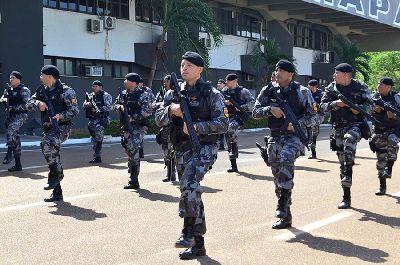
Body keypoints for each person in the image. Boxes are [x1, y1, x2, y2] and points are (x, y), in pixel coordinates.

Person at [155, 51, 228, 259]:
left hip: (204, 147)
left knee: (188, 183)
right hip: (181, 148)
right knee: (192, 191)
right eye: (182, 65)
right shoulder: (172, 94)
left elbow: (223, 123)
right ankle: (198, 245)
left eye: (188, 65)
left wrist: (197, 127)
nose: (184, 68)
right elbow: (157, 118)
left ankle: (187, 230)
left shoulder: (211, 93)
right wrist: (171, 110)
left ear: (199, 69)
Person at [252, 60, 315, 229]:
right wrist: (270, 110)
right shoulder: (268, 90)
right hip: (274, 137)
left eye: (281, 70)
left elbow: (315, 116)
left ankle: (282, 203)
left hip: (294, 137)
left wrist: (298, 124)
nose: (277, 73)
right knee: (277, 176)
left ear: (290, 74)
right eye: (276, 69)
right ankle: (285, 214)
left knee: (286, 158)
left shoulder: (302, 92)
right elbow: (255, 112)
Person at [320, 63, 373, 209]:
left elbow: (370, 106)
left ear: (345, 75)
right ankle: (346, 197)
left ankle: (348, 173)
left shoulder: (360, 87)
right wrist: (336, 104)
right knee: (342, 162)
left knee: (349, 139)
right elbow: (322, 106)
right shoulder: (332, 88)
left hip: (356, 125)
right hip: (338, 127)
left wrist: (358, 110)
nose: (333, 76)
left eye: (336, 73)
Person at [26, 65, 79, 202]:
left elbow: (74, 111)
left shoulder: (67, 91)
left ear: (49, 77)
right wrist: (38, 103)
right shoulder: (41, 90)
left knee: (48, 145)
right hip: (48, 128)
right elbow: (28, 103)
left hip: (62, 127)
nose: (40, 77)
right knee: (50, 153)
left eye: (42, 75)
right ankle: (57, 192)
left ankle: (57, 175)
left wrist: (59, 116)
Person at [114, 73, 153, 189]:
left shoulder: (143, 95)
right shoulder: (123, 94)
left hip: (139, 126)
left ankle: (133, 178)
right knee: (129, 150)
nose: (124, 81)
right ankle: (133, 178)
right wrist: (119, 107)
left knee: (132, 147)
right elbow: (114, 105)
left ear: (134, 82)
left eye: (127, 80)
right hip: (126, 126)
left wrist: (133, 117)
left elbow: (148, 111)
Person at [369, 77, 400, 195]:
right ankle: (382, 186)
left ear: (388, 87)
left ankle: (389, 167)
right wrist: (374, 109)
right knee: (381, 159)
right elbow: (365, 111)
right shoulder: (374, 97)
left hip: (394, 129)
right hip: (379, 131)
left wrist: (394, 116)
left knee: (393, 141)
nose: (378, 86)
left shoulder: (396, 98)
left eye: (381, 85)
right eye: (378, 84)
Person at [222, 73, 255, 172]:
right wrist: (225, 103)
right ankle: (233, 165)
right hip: (228, 116)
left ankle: (234, 149)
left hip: (239, 117)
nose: (227, 83)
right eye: (226, 81)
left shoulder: (243, 91)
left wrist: (240, 107)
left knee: (231, 129)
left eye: (229, 81)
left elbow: (252, 103)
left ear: (235, 81)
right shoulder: (224, 91)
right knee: (228, 138)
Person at [0, 71, 31, 171]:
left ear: (18, 79)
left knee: (11, 129)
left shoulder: (24, 90)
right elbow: (2, 99)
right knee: (15, 139)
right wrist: (3, 100)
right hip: (11, 116)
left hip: (21, 115)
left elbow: (28, 105)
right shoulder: (8, 89)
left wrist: (14, 107)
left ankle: (9, 153)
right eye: (10, 77)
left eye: (13, 78)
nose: (11, 79)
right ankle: (18, 165)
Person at [154, 75, 177, 182]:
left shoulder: (178, 92)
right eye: (164, 82)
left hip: (176, 126)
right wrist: (163, 105)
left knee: (176, 150)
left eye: (167, 82)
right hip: (165, 125)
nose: (165, 84)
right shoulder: (162, 93)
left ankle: (174, 173)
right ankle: (169, 173)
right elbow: (153, 105)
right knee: (165, 150)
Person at [83, 80, 112, 163]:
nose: (94, 88)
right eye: (93, 86)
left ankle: (97, 156)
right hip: (92, 119)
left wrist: (98, 109)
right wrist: (88, 104)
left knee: (99, 131)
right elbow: (83, 105)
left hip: (103, 119)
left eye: (96, 86)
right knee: (94, 136)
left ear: (100, 87)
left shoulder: (106, 95)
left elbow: (109, 107)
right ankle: (97, 146)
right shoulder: (90, 96)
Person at [305, 79, 324, 159]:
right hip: (309, 115)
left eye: (309, 87)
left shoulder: (321, 94)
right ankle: (310, 141)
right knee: (311, 132)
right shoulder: (306, 93)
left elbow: (323, 106)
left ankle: (311, 140)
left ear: (314, 86)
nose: (308, 88)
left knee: (314, 133)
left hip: (318, 115)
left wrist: (315, 105)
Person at [216, 79, 226, 150]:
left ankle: (222, 144)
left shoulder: (225, 91)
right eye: (218, 83)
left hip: (226, 112)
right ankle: (220, 144)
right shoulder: (216, 92)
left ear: (224, 84)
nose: (218, 84)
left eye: (220, 83)